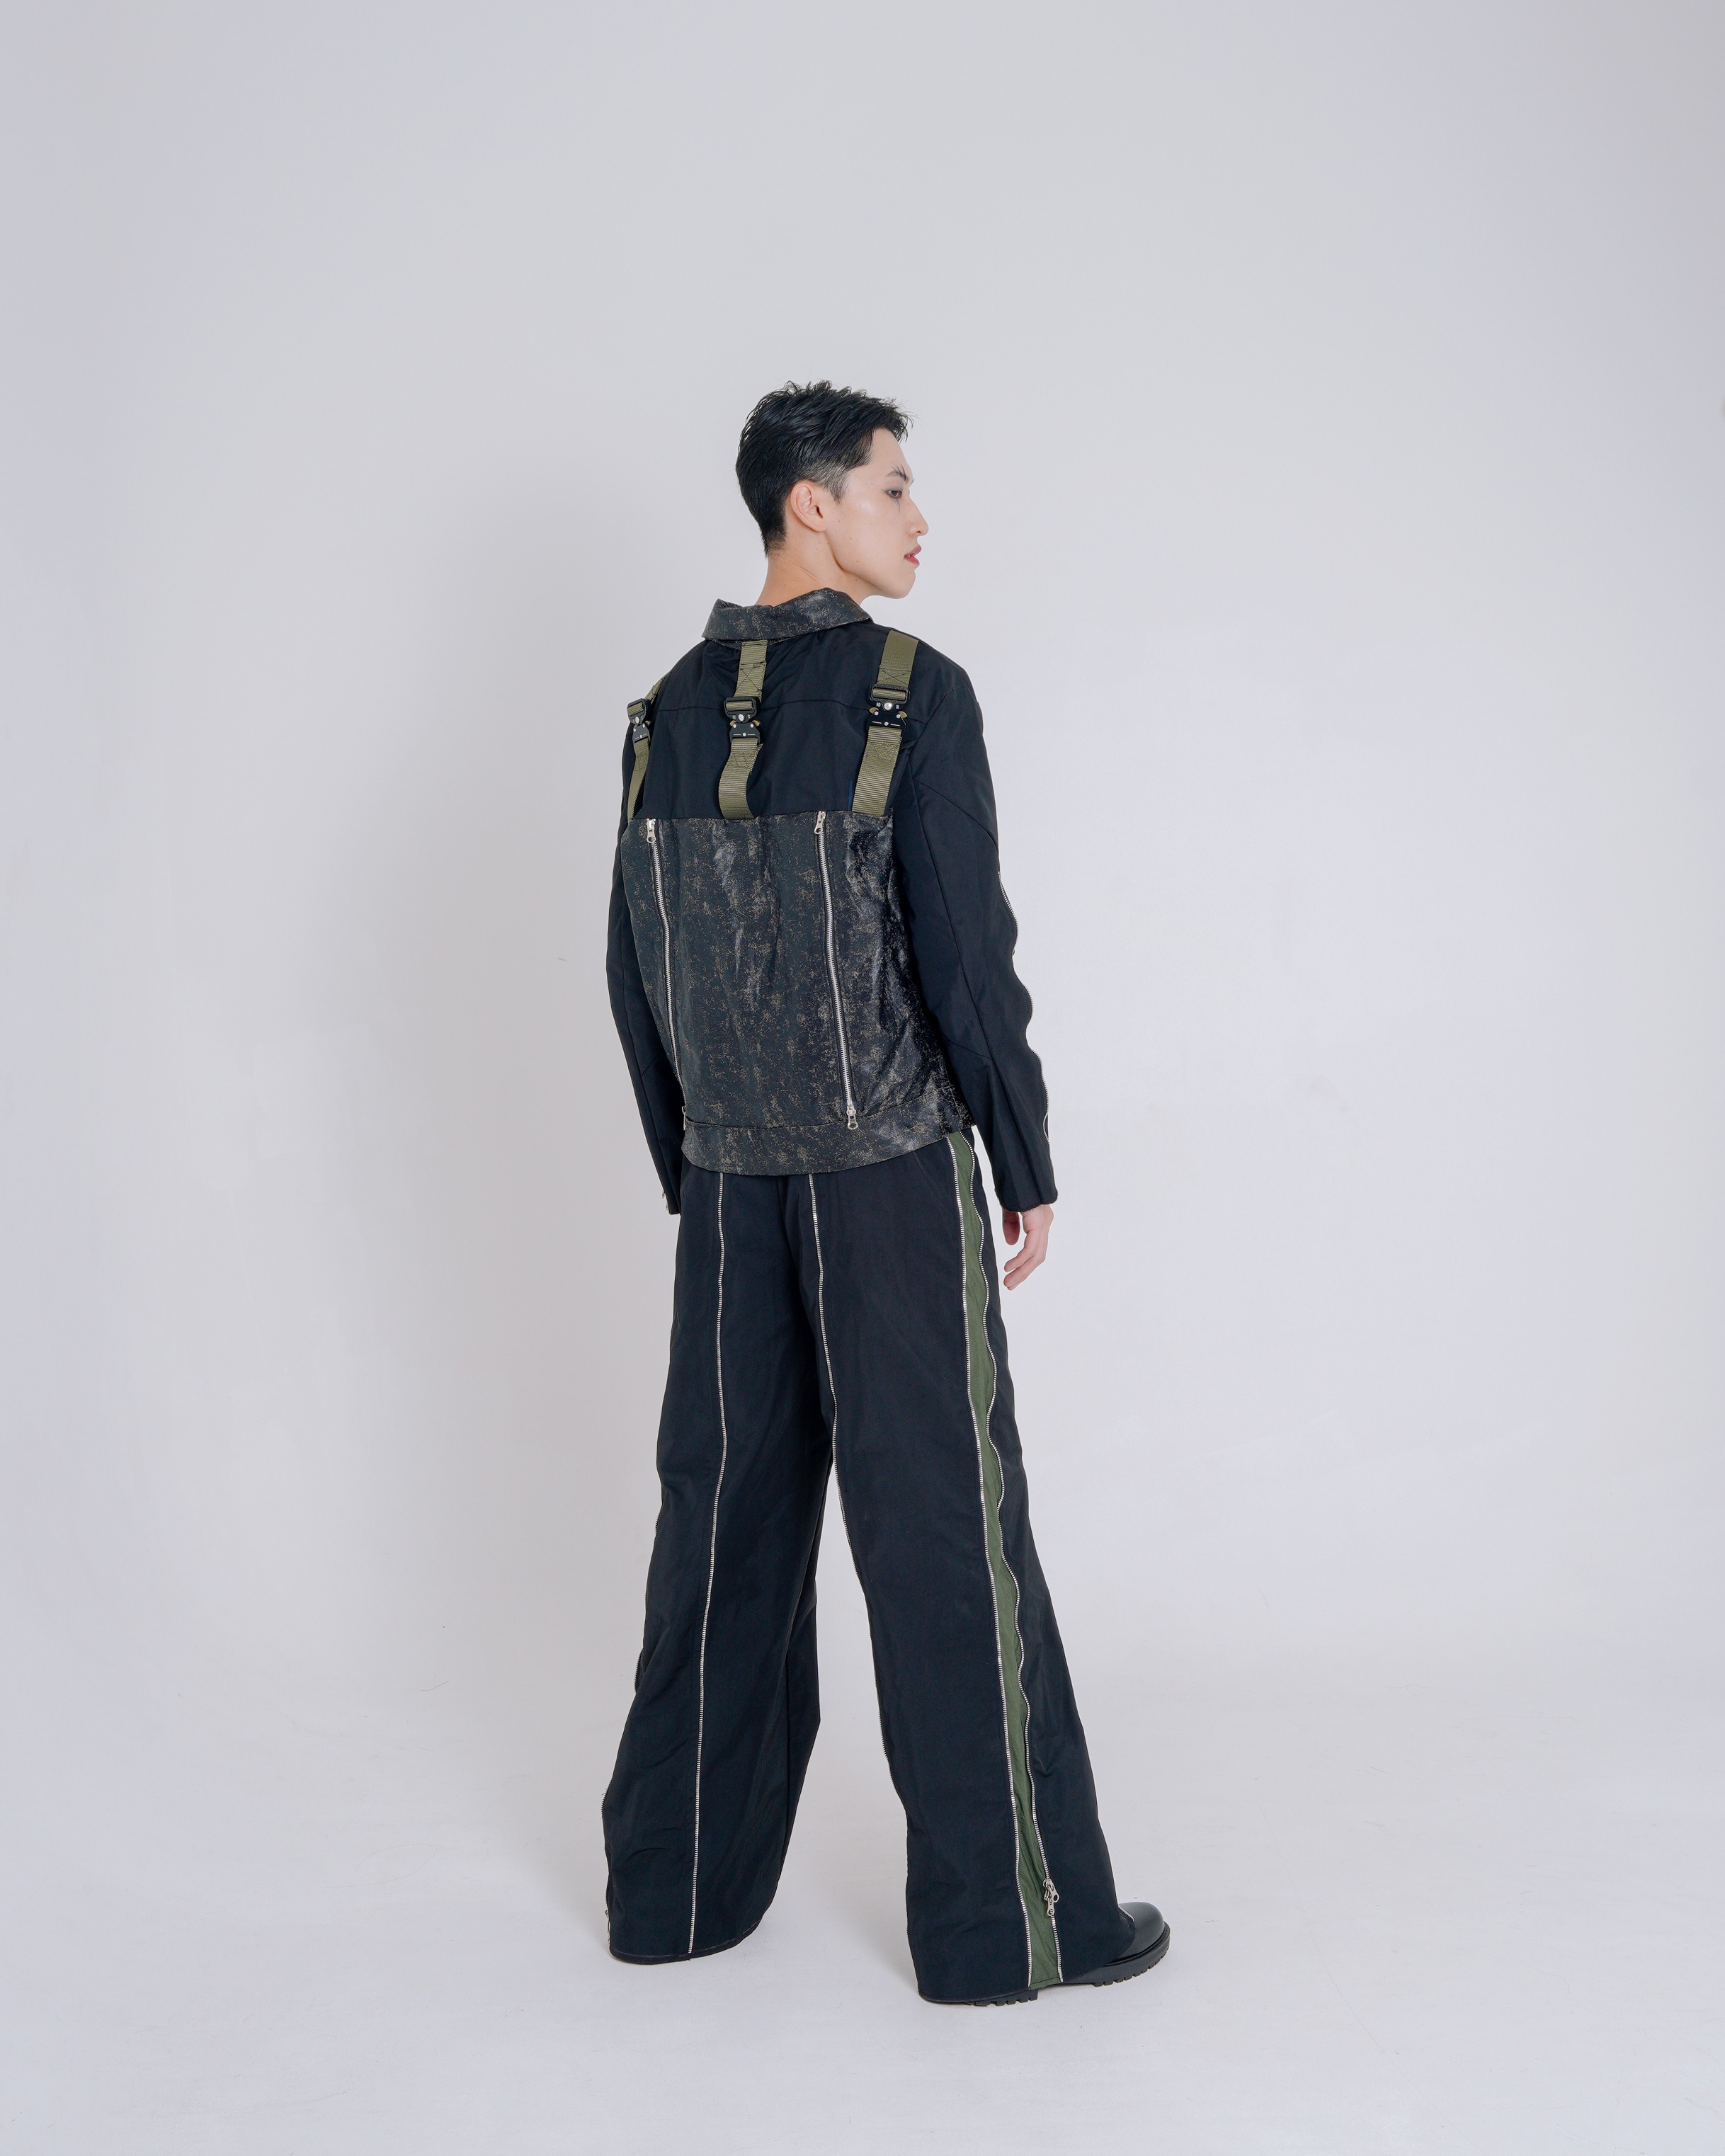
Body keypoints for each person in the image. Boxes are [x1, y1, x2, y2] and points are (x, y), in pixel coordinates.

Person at [600, 381, 1168, 2006]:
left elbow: (634, 962)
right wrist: (1024, 1155)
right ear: (812, 505)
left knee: (721, 1524)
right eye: (893, 487)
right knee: (943, 1534)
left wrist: (696, 1160)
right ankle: (1008, 1930)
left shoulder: (664, 708)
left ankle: (674, 1897)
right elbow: (966, 953)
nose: (918, 519)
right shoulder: (917, 692)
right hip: (893, 1181)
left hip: (731, 1190)